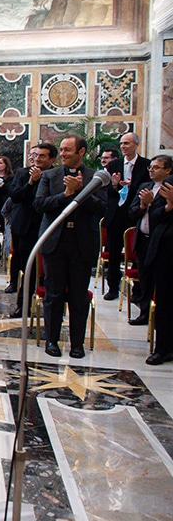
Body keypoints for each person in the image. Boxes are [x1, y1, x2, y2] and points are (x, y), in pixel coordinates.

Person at [34, 135, 106, 358]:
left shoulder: (95, 178)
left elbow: (102, 209)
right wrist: (65, 195)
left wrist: (82, 191)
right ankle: (52, 341)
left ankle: (77, 344)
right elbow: (39, 205)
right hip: (55, 242)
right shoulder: (49, 176)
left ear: (81, 152)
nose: (63, 154)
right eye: (62, 150)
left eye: (67, 150)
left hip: (81, 243)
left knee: (78, 296)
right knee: (53, 294)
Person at [7, 143, 57, 318]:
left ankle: (51, 304)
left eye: (42, 156)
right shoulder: (22, 173)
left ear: (51, 159)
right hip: (25, 228)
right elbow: (15, 195)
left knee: (47, 268)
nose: (37, 159)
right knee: (26, 268)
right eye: (35, 155)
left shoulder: (55, 175)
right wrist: (30, 183)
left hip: (46, 227)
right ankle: (23, 305)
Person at [102, 133, 150, 301]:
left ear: (136, 144)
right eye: (122, 143)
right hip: (117, 214)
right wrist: (115, 186)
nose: (123, 146)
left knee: (137, 251)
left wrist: (132, 185)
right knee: (114, 251)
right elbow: (106, 191)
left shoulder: (146, 165)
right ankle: (113, 287)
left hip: (136, 213)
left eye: (127, 143)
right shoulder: (114, 165)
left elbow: (148, 187)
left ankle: (137, 290)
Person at [127, 155, 172, 325]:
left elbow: (162, 216)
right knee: (144, 279)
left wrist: (152, 204)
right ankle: (144, 313)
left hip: (161, 243)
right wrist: (142, 206)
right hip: (143, 239)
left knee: (160, 281)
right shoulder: (145, 186)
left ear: (168, 170)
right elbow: (131, 212)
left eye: (156, 167)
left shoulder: (169, 189)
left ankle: (159, 317)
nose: (151, 170)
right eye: (150, 167)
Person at [144, 173, 173, 365]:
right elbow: (153, 217)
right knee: (165, 303)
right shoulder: (169, 184)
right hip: (166, 253)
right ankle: (163, 349)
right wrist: (169, 206)